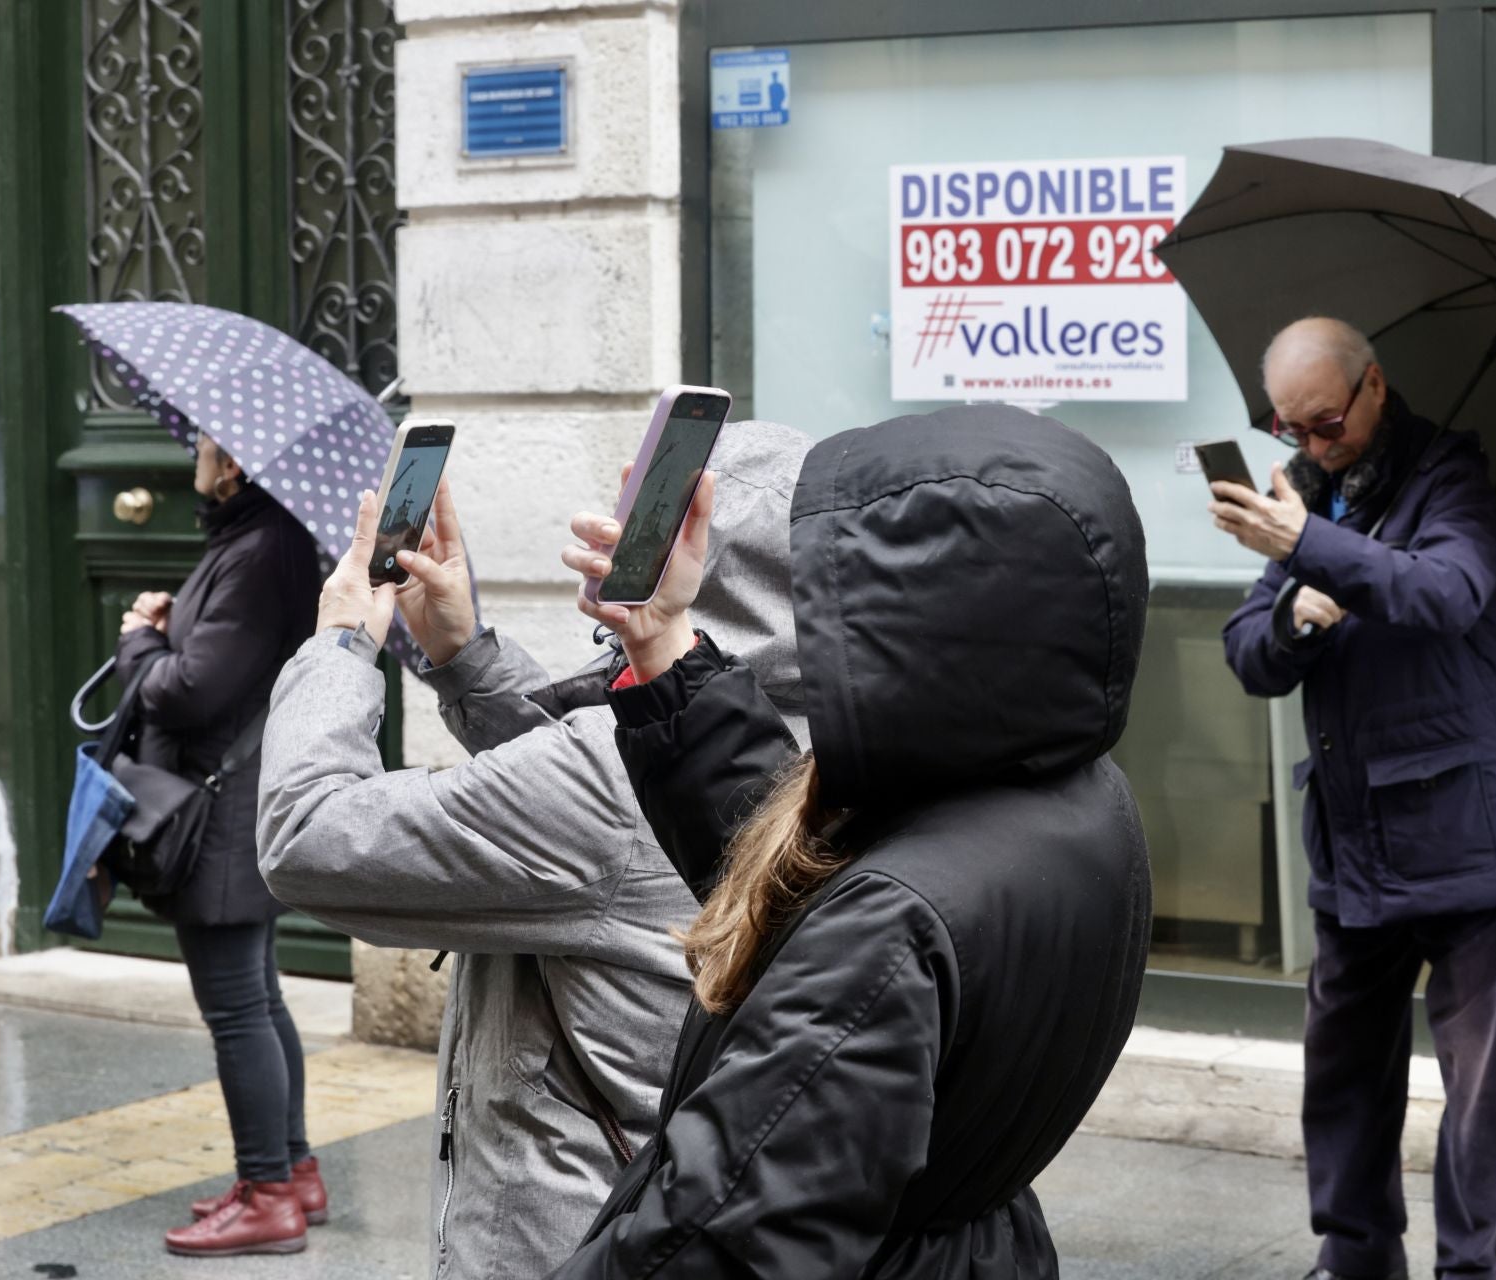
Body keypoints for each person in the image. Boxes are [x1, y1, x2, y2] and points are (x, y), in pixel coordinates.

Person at [552, 404, 1153, 1278]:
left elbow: (717, 1239)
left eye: (848, 598)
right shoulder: (1066, 789)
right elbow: (809, 866)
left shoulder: (893, 925)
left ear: (936, 623)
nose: (820, 623)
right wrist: (662, 648)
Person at [255, 425, 810, 1280]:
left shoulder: (606, 775)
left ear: (693, 551)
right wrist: (464, 655)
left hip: (564, 1238)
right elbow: (607, 799)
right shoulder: (811, 736)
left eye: (649, 515)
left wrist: (340, 642)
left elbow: (306, 834)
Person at [1210, 317, 1496, 1280]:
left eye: (1325, 423)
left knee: (1478, 1090)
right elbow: (1249, 654)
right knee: (1344, 1072)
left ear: (1374, 388)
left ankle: (1473, 1269)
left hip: (1466, 834)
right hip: (1356, 835)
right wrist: (1295, 609)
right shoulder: (1309, 498)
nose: (1312, 446)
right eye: (1291, 431)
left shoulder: (1452, 474)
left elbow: (1449, 591)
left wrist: (1309, 546)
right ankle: (1355, 1256)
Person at [115, 431, 327, 1258]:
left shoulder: (258, 549)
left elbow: (192, 691)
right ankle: (292, 1171)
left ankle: (269, 1191)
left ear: (233, 463)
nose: (193, 458)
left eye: (204, 445)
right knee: (259, 998)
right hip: (238, 805)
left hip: (223, 816)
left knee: (237, 1006)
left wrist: (138, 635)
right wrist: (176, 624)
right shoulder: (252, 540)